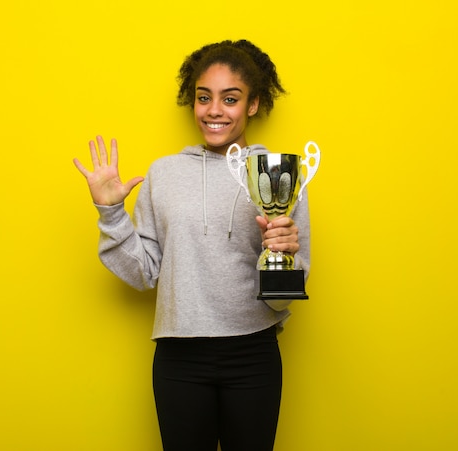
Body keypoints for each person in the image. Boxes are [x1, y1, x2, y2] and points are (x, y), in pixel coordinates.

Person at [73, 39, 311, 451]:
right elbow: (144, 273)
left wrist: (286, 257)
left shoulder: (279, 172)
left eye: (230, 98)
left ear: (253, 104)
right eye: (204, 98)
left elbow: (281, 299)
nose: (214, 110)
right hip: (179, 356)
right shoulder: (164, 174)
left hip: (253, 353)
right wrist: (111, 213)